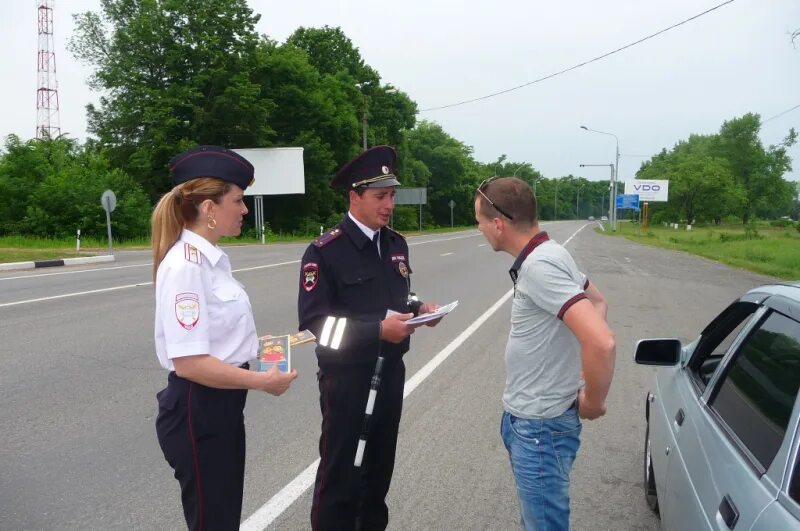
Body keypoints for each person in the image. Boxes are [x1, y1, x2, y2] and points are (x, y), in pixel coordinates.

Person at [152, 145, 298, 530]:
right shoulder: (185, 266)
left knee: (222, 518)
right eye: (239, 200)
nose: (245, 209)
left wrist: (259, 347)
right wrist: (263, 382)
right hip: (200, 409)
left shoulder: (210, 260)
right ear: (209, 208)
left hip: (221, 407)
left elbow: (214, 339)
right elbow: (189, 363)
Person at [298, 145, 440, 531]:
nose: (389, 204)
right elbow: (316, 324)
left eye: (392, 195)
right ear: (354, 197)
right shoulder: (325, 251)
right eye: (380, 196)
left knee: (378, 474)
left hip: (391, 374)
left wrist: (418, 309)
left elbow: (396, 297)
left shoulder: (396, 245)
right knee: (340, 478)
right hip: (347, 382)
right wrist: (376, 330)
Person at [473, 176, 616, 531]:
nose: (479, 229)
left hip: (540, 428)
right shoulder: (551, 252)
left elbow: (601, 341)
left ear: (498, 223)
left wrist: (593, 401)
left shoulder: (539, 266)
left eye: (479, 221)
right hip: (536, 422)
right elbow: (597, 301)